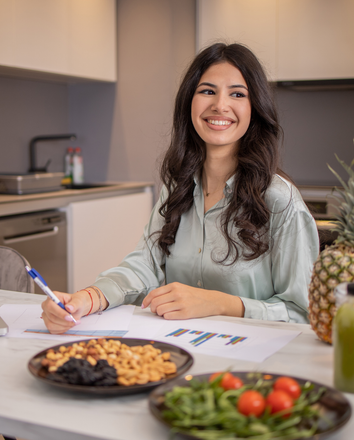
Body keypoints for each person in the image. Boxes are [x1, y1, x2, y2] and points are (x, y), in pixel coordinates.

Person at [41, 43, 319, 334]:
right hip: (178, 349)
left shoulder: (280, 199)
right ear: (190, 102)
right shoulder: (178, 184)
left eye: (237, 94)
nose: (220, 105)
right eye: (207, 91)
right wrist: (86, 299)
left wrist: (219, 303)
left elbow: (302, 313)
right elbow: (144, 264)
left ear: (255, 108)